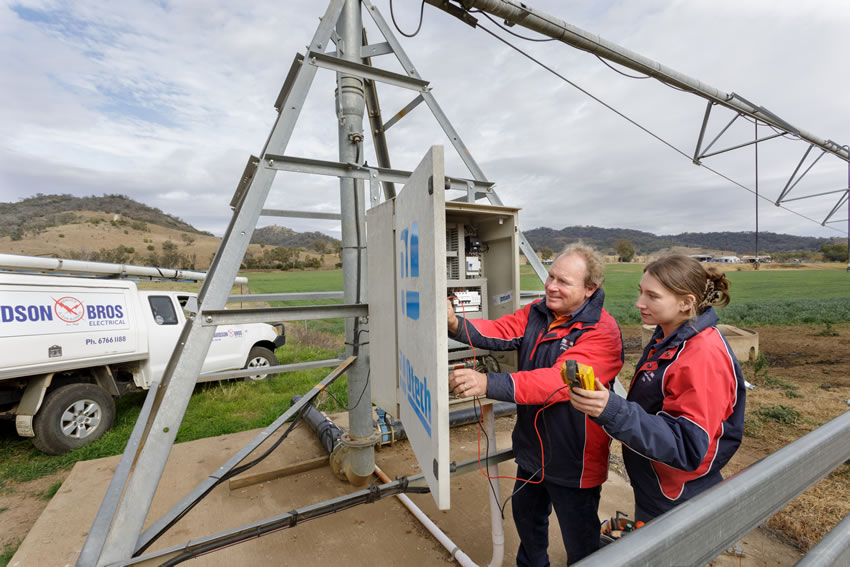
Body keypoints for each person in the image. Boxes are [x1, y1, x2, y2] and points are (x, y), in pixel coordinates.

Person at [447, 243, 623, 565]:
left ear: (589, 289)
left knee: (580, 540)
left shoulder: (601, 332)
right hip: (532, 449)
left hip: (574, 458)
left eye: (564, 282)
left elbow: (556, 382)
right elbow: (500, 331)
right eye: (551, 276)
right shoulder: (538, 313)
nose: (552, 286)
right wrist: (456, 324)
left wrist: (487, 382)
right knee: (527, 521)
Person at [569, 254, 746, 523]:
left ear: (686, 303)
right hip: (657, 483)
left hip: (678, 495)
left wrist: (612, 410)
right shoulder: (670, 334)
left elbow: (686, 446)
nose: (639, 303)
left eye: (652, 296)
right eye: (640, 292)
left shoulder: (702, 355)